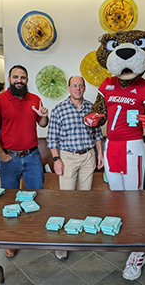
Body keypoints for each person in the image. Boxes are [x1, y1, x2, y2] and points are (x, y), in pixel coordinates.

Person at [0, 65, 49, 258]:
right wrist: (2, 156)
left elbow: (42, 124)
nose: (19, 80)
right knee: (9, 201)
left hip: (33, 157)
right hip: (9, 159)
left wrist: (44, 117)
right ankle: (11, 240)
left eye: (23, 77)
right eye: (16, 77)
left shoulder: (35, 99)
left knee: (37, 196)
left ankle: (34, 234)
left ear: (27, 80)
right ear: (9, 78)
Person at [46, 75, 104, 261]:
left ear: (84, 88)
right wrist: (56, 160)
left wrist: (100, 154)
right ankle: (63, 242)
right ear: (69, 88)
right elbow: (52, 138)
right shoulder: (59, 110)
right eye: (74, 86)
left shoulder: (91, 108)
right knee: (67, 198)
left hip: (88, 156)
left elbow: (97, 134)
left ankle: (81, 234)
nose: (78, 89)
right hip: (67, 157)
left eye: (81, 86)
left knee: (85, 197)